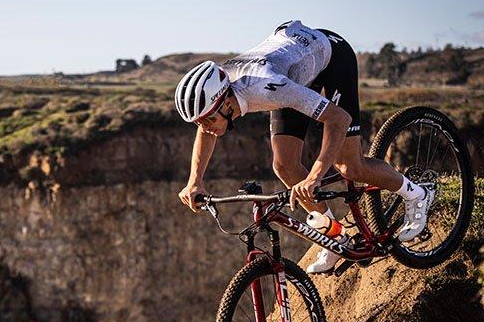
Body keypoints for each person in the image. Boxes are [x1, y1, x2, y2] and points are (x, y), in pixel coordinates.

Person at [175, 20, 434, 273]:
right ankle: (333, 235)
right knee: (284, 166)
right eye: (199, 121)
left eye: (208, 118)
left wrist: (315, 176)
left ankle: (418, 194)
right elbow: (206, 131)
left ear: (225, 103)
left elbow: (338, 119)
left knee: (349, 166)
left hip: (331, 59)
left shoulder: (266, 88)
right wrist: (195, 181)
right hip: (293, 72)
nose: (205, 126)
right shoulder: (222, 93)